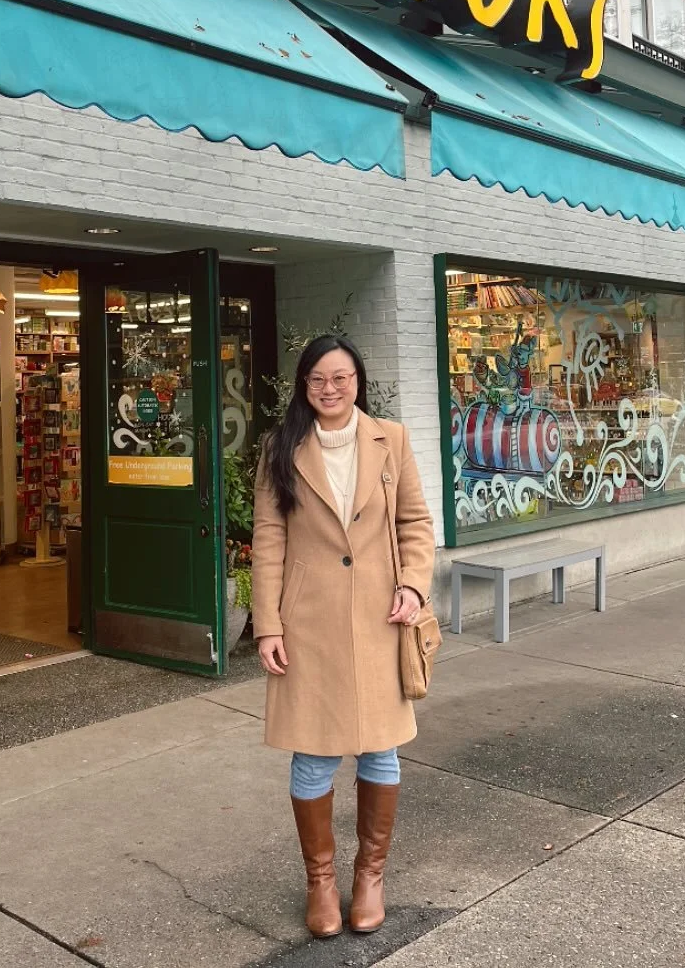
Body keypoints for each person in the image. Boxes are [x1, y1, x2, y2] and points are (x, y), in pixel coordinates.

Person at [252, 334, 435, 938]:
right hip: (310, 624)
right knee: (314, 752)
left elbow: (414, 521)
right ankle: (321, 882)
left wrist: (413, 583)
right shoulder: (282, 447)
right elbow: (269, 540)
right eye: (317, 380)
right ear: (304, 387)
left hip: (384, 617)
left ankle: (370, 877)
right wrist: (268, 625)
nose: (330, 389)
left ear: (358, 380)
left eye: (341, 378)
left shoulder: (392, 440)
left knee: (380, 748)